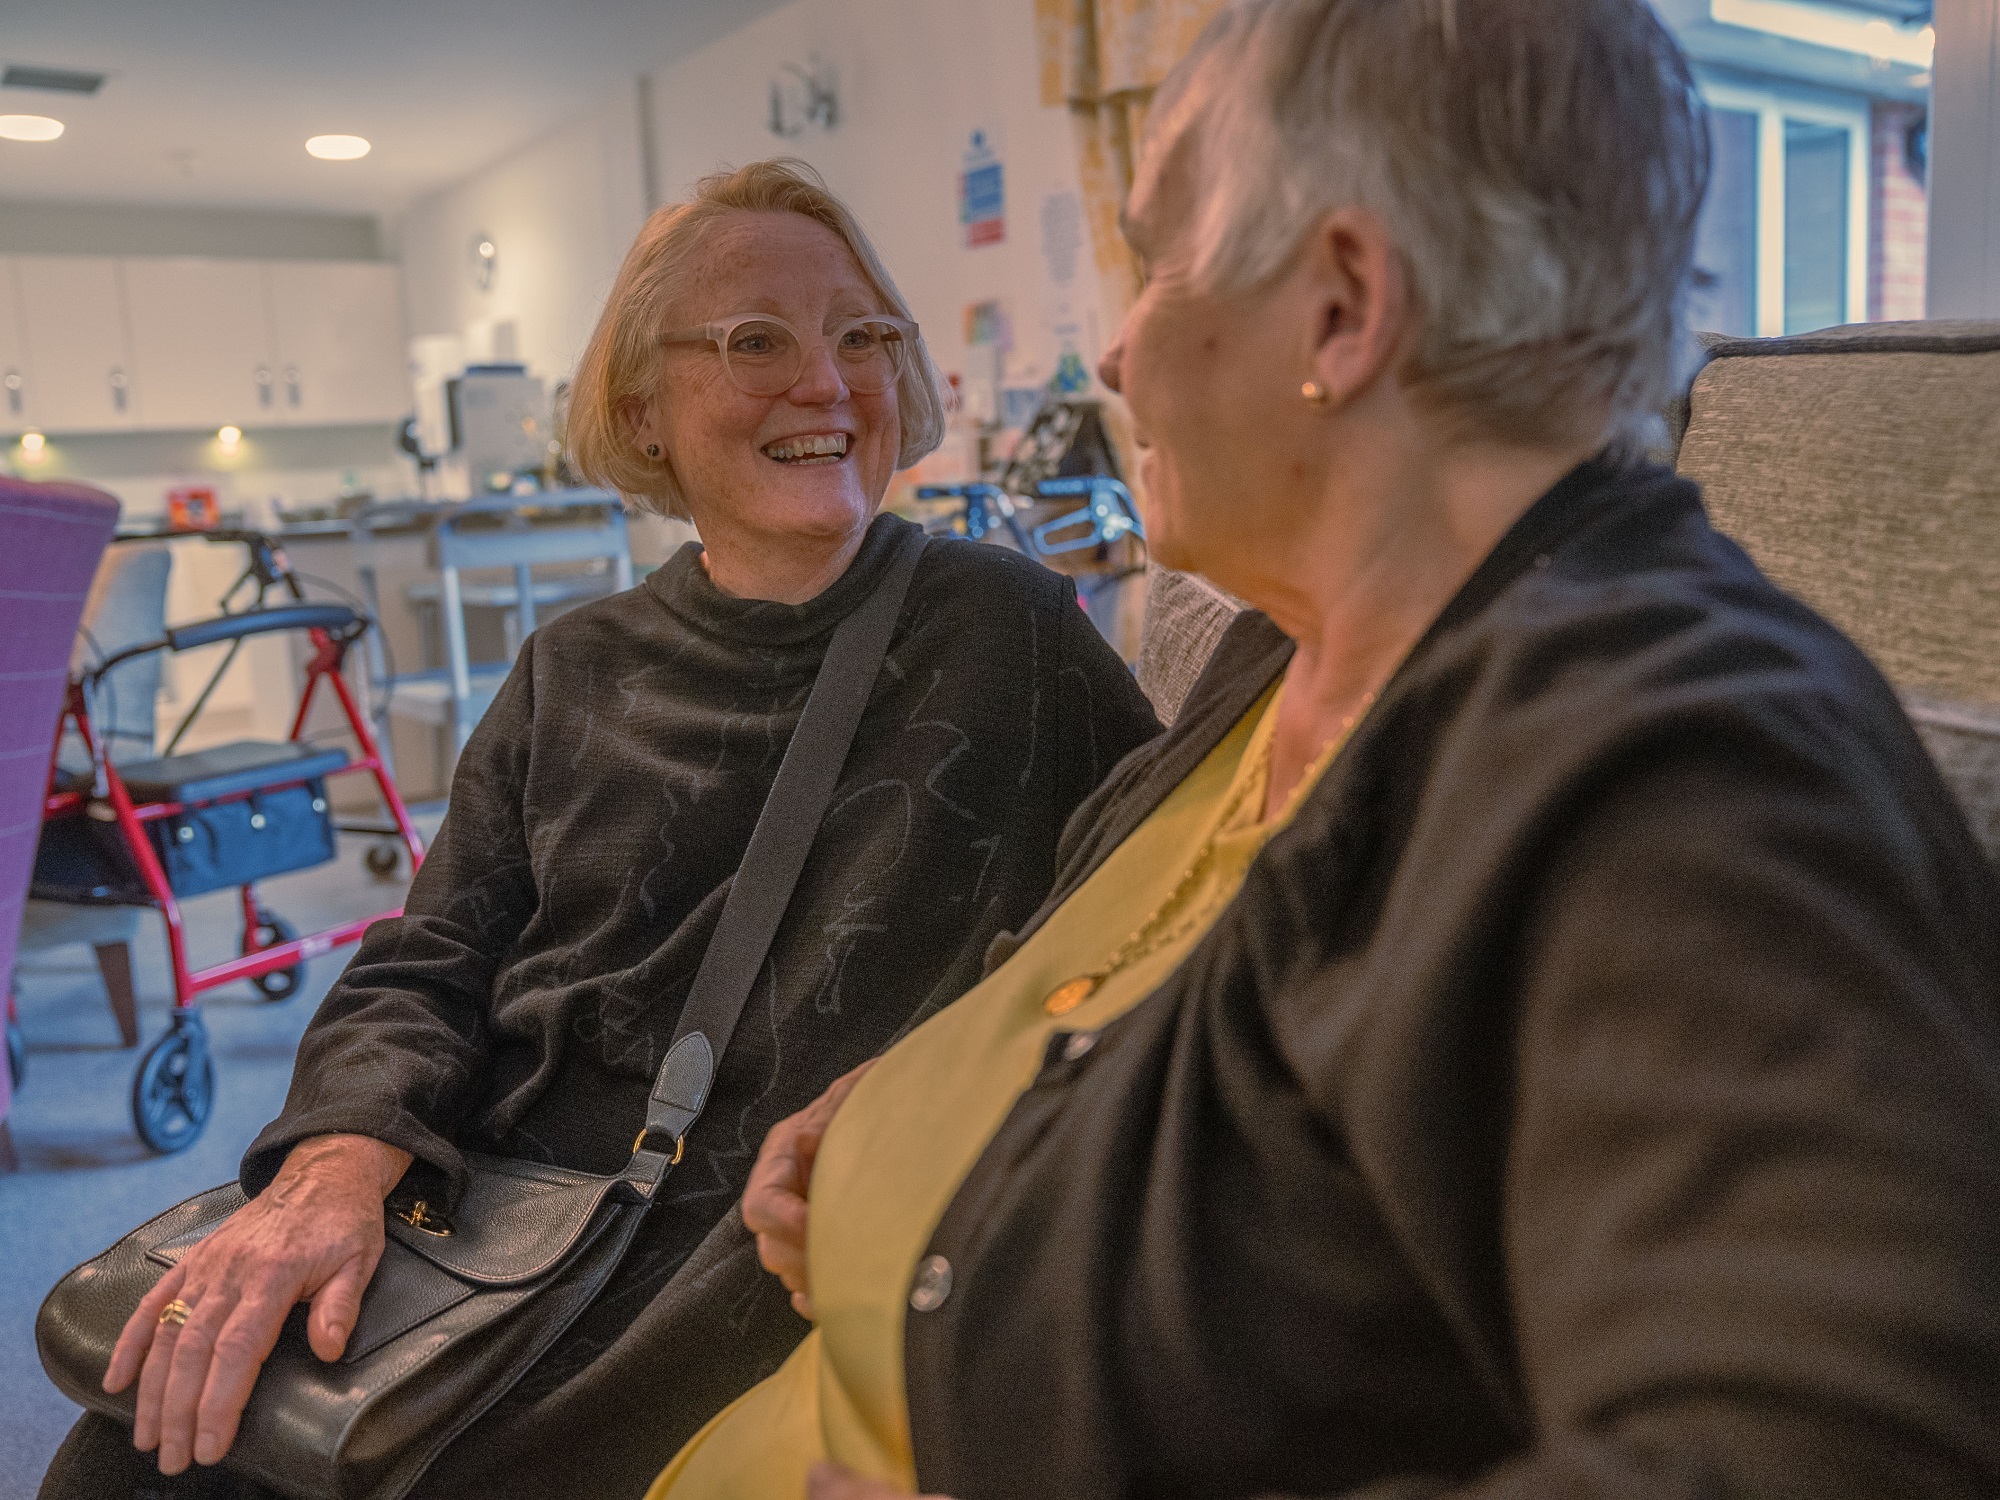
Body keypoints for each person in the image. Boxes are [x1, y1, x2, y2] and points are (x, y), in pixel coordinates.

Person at [654, 4, 2000, 1498]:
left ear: (1343, 306)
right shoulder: (1282, 662)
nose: (1116, 340)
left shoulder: (1679, 767)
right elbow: (1135, 1025)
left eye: (1158, 258)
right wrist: (914, 1123)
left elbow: (1843, 1448)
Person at [40, 159, 1161, 1500]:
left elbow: (1161, 911)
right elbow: (430, 959)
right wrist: (330, 1175)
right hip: (498, 1215)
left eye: (864, 336)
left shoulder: (1011, 634)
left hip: (750, 1257)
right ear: (643, 403)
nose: (828, 381)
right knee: (135, 1451)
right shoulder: (572, 667)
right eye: (757, 340)